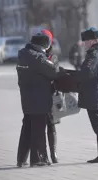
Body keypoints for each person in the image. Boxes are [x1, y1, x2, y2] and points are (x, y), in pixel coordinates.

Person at [16, 32, 65, 167]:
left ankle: (21, 158)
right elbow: (53, 71)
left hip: (27, 98)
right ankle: (39, 159)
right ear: (44, 45)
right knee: (38, 128)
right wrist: (55, 62)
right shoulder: (38, 57)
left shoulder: (23, 54)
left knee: (27, 128)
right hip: (39, 99)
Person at [68, 27, 98, 163]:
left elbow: (86, 74)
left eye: (86, 41)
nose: (85, 44)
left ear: (93, 41)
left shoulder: (94, 55)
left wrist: (70, 75)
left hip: (95, 95)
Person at [41, 29, 59, 164]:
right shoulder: (35, 55)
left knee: (51, 126)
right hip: (39, 95)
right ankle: (43, 154)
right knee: (40, 126)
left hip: (51, 95)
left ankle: (53, 153)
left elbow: (56, 74)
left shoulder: (52, 56)